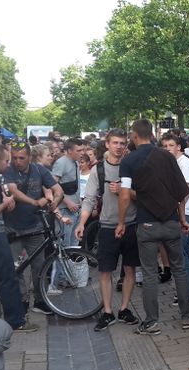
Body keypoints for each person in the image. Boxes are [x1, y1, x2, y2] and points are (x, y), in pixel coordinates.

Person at [116, 119, 189, 335]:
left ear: (134, 135)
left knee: (150, 273)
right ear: (151, 134)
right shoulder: (167, 157)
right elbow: (181, 192)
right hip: (170, 222)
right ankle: (187, 317)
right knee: (179, 269)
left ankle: (151, 322)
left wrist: (122, 222)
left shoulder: (129, 160)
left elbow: (124, 195)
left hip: (146, 224)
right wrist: (182, 219)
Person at [75, 128, 140, 331]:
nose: (119, 147)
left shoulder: (132, 167)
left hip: (131, 225)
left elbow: (143, 196)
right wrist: (81, 223)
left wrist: (124, 190)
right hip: (107, 226)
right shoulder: (99, 169)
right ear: (107, 144)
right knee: (105, 271)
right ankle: (108, 311)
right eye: (115, 143)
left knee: (129, 269)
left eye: (122, 143)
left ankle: (124, 309)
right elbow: (89, 199)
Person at [0, 144, 38, 332]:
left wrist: (5, 202)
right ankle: (16, 321)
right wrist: (5, 203)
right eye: (6, 160)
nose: (9, 164)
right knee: (8, 277)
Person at [3, 144, 66, 314]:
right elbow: (13, 191)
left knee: (39, 266)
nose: (17, 161)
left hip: (35, 226)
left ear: (29, 157)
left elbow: (58, 190)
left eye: (21, 157)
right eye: (14, 157)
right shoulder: (8, 170)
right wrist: (35, 202)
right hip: (13, 227)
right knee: (16, 268)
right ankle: (22, 300)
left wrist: (55, 202)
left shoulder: (39, 170)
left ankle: (40, 300)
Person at [160, 133, 189, 305]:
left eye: (170, 145)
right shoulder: (176, 163)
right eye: (164, 146)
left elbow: (183, 192)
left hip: (186, 213)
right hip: (184, 213)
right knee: (185, 253)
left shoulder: (183, 164)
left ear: (178, 147)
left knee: (181, 254)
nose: (167, 149)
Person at [51, 138, 86, 246]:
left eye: (83, 150)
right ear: (70, 150)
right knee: (64, 245)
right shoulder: (61, 163)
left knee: (74, 242)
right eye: (79, 151)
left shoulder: (75, 162)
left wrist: (78, 199)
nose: (82, 153)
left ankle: (72, 263)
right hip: (64, 210)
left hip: (76, 208)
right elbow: (52, 186)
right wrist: (67, 201)